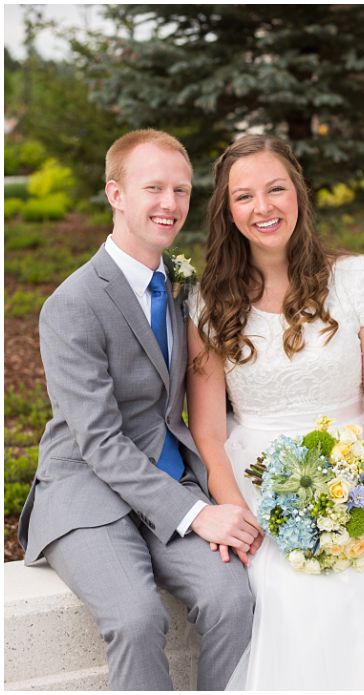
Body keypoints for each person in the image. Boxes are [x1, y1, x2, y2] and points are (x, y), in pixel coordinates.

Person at [185, 134, 364, 688]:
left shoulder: (356, 279)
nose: (263, 208)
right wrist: (238, 512)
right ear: (227, 210)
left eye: (275, 189)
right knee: (288, 588)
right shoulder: (208, 304)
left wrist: (351, 490)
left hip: (363, 462)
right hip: (257, 477)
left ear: (299, 195)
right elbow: (209, 432)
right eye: (244, 197)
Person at [18, 129, 258, 690]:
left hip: (167, 479)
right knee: (135, 618)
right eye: (153, 188)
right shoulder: (72, 305)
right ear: (116, 194)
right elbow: (98, 441)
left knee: (232, 597)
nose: (170, 204)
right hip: (87, 492)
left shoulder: (179, 288)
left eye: (180, 190)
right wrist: (197, 513)